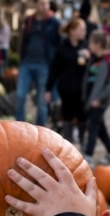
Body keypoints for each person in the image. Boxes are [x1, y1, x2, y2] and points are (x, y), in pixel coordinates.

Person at [15, 0, 62, 127]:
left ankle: (40, 130)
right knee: (20, 96)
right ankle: (20, 128)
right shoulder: (29, 21)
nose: (45, 6)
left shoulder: (55, 23)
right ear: (36, 5)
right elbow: (23, 40)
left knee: (42, 101)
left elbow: (59, 45)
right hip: (27, 63)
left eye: (46, 3)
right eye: (41, 3)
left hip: (44, 65)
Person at [46, 18, 89, 146]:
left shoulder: (85, 46)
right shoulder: (62, 48)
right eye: (81, 29)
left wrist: (89, 58)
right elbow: (54, 69)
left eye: (84, 29)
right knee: (67, 115)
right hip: (66, 88)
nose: (84, 32)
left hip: (82, 88)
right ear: (72, 31)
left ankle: (82, 140)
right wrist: (48, 88)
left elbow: (93, 68)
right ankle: (68, 143)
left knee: (82, 115)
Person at [82, 29, 110, 167]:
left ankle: (88, 156)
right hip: (91, 101)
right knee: (100, 128)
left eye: (91, 43)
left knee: (92, 127)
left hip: (100, 103)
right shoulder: (93, 60)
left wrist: (100, 99)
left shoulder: (109, 62)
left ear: (98, 44)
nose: (88, 45)